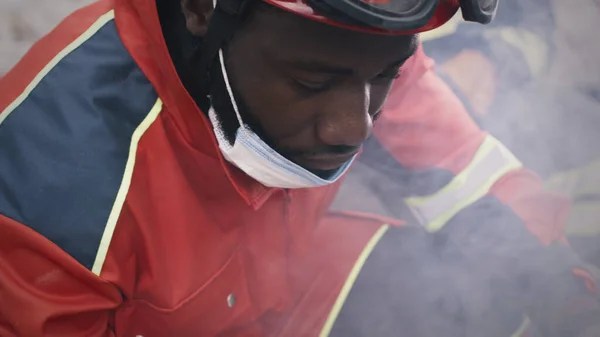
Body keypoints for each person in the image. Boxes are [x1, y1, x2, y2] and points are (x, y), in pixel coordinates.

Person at [0, 0, 598, 336]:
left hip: (296, 295)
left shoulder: (350, 55)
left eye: (385, 77)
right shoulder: (50, 192)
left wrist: (564, 289)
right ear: (201, 10)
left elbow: (471, 177)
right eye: (312, 84)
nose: (354, 126)